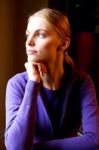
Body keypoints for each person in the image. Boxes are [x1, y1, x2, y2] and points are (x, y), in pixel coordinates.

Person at [5, 8, 99, 150]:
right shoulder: (17, 84)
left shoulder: (82, 82)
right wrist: (33, 83)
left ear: (63, 43)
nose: (29, 42)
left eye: (41, 35)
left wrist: (34, 147)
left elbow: (94, 140)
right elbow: (15, 147)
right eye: (27, 35)